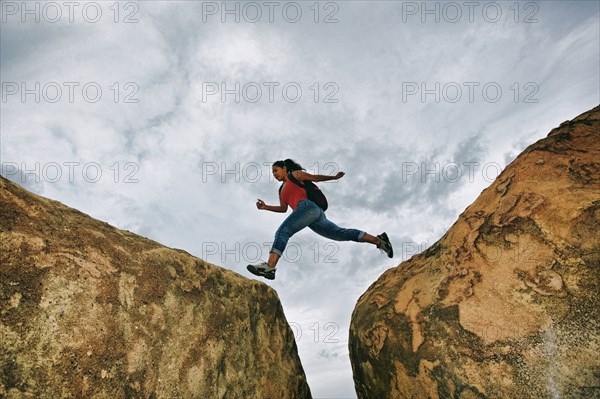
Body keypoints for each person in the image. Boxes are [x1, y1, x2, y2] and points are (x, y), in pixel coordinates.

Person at [247, 159, 393, 280]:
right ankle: (379, 241)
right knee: (340, 233)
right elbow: (283, 208)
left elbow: (315, 178)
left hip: (307, 207)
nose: (274, 174)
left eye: (276, 170)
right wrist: (265, 207)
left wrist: (334, 177)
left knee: (282, 232)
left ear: (284, 168)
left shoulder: (295, 175)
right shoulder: (281, 190)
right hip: (312, 216)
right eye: (272, 172)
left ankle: (269, 267)